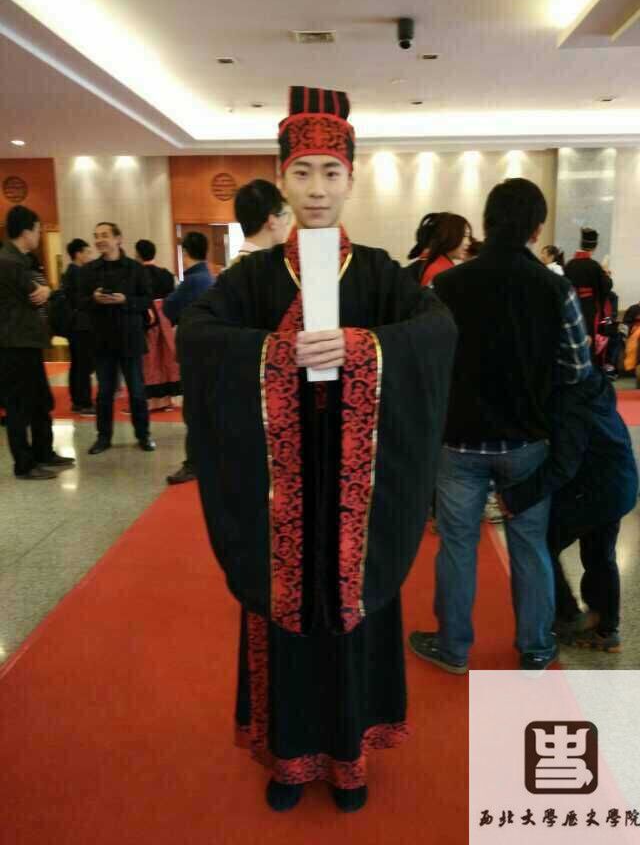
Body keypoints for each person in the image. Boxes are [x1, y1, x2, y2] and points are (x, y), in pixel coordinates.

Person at [177, 85, 457, 813]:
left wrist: (365, 349)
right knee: (286, 629)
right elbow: (198, 336)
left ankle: (350, 759)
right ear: (282, 178)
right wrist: (274, 355)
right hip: (281, 501)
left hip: (362, 501)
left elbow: (436, 333)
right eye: (302, 172)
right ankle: (288, 759)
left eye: (331, 172)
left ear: (351, 178)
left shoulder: (381, 275)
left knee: (353, 623)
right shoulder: (254, 277)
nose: (317, 188)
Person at [409, 178, 592, 674]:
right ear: (536, 230)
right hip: (528, 441)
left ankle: (453, 647)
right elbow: (578, 368)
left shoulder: (447, 286)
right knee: (530, 545)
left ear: (486, 224)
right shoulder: (555, 288)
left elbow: (424, 363)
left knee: (457, 544)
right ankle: (535, 647)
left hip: (458, 441)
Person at [499, 367, 638, 653]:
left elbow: (563, 465)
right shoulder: (592, 383)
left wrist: (515, 498)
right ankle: (605, 629)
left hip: (597, 489)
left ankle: (568, 617)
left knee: (543, 542)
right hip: (620, 481)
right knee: (600, 554)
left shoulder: (568, 401)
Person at [0, 206, 74, 479]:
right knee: (19, 407)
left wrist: (46, 290)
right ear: (26, 231)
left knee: (40, 401)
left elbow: (42, 293)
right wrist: (45, 290)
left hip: (26, 342)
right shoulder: (9, 261)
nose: (39, 235)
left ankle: (44, 453)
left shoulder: (20, 259)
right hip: (14, 344)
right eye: (38, 230)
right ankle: (24, 464)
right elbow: (36, 294)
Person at [80, 222, 155, 455]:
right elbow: (79, 302)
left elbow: (147, 300)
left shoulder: (135, 268)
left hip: (130, 338)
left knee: (137, 392)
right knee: (104, 393)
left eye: (105, 235)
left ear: (118, 239)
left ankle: (143, 435)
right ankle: (103, 437)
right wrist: (93, 299)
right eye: (96, 236)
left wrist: (126, 300)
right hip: (102, 339)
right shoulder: (89, 270)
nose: (99, 240)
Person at [163, 232, 214, 485]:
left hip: (194, 351)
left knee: (193, 410)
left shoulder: (192, 281)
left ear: (185, 253)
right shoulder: (210, 278)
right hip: (210, 350)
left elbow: (168, 308)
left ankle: (193, 463)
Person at [134, 239, 179, 412]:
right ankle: (166, 400)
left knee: (149, 359)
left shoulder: (138, 274)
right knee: (165, 357)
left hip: (148, 317)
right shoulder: (166, 274)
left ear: (138, 255)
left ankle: (150, 401)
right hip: (165, 317)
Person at [564, 228, 612, 358]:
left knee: (574, 336)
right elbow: (605, 287)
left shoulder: (569, 264)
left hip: (572, 306)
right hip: (588, 308)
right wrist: (606, 274)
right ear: (594, 246)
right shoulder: (594, 266)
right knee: (588, 338)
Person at [61, 238, 95, 415]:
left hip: (74, 325)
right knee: (83, 365)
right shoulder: (78, 274)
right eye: (87, 252)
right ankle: (85, 402)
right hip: (81, 325)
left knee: (77, 364)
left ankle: (77, 400)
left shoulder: (69, 272)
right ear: (78, 254)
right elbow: (82, 301)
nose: (90, 255)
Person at [232, 179, 291, 263]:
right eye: (285, 215)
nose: (287, 224)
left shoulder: (236, 266)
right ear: (272, 221)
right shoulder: (264, 267)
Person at [406, 212, 472, 286]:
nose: (469, 243)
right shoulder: (440, 271)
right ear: (449, 236)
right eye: (465, 236)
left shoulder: (430, 262)